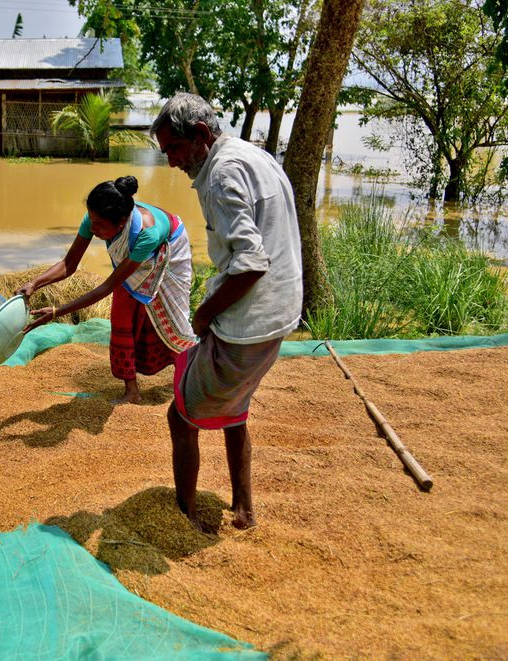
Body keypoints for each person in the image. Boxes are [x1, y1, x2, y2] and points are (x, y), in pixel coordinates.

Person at [151, 92, 302, 530]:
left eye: (175, 149)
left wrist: (204, 313)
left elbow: (251, 263)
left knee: (180, 415)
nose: (172, 162)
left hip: (247, 321)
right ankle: (244, 507)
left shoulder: (221, 175)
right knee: (236, 408)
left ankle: (184, 518)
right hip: (278, 314)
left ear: (200, 135)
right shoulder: (253, 155)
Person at [18, 176, 197, 404]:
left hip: (168, 251)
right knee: (121, 313)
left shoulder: (147, 233)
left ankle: (191, 379)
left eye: (100, 225)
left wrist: (56, 312)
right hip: (134, 255)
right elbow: (68, 264)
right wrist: (34, 283)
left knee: (173, 322)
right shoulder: (95, 219)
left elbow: (106, 287)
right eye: (91, 220)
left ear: (121, 223)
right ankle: (131, 391)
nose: (93, 229)